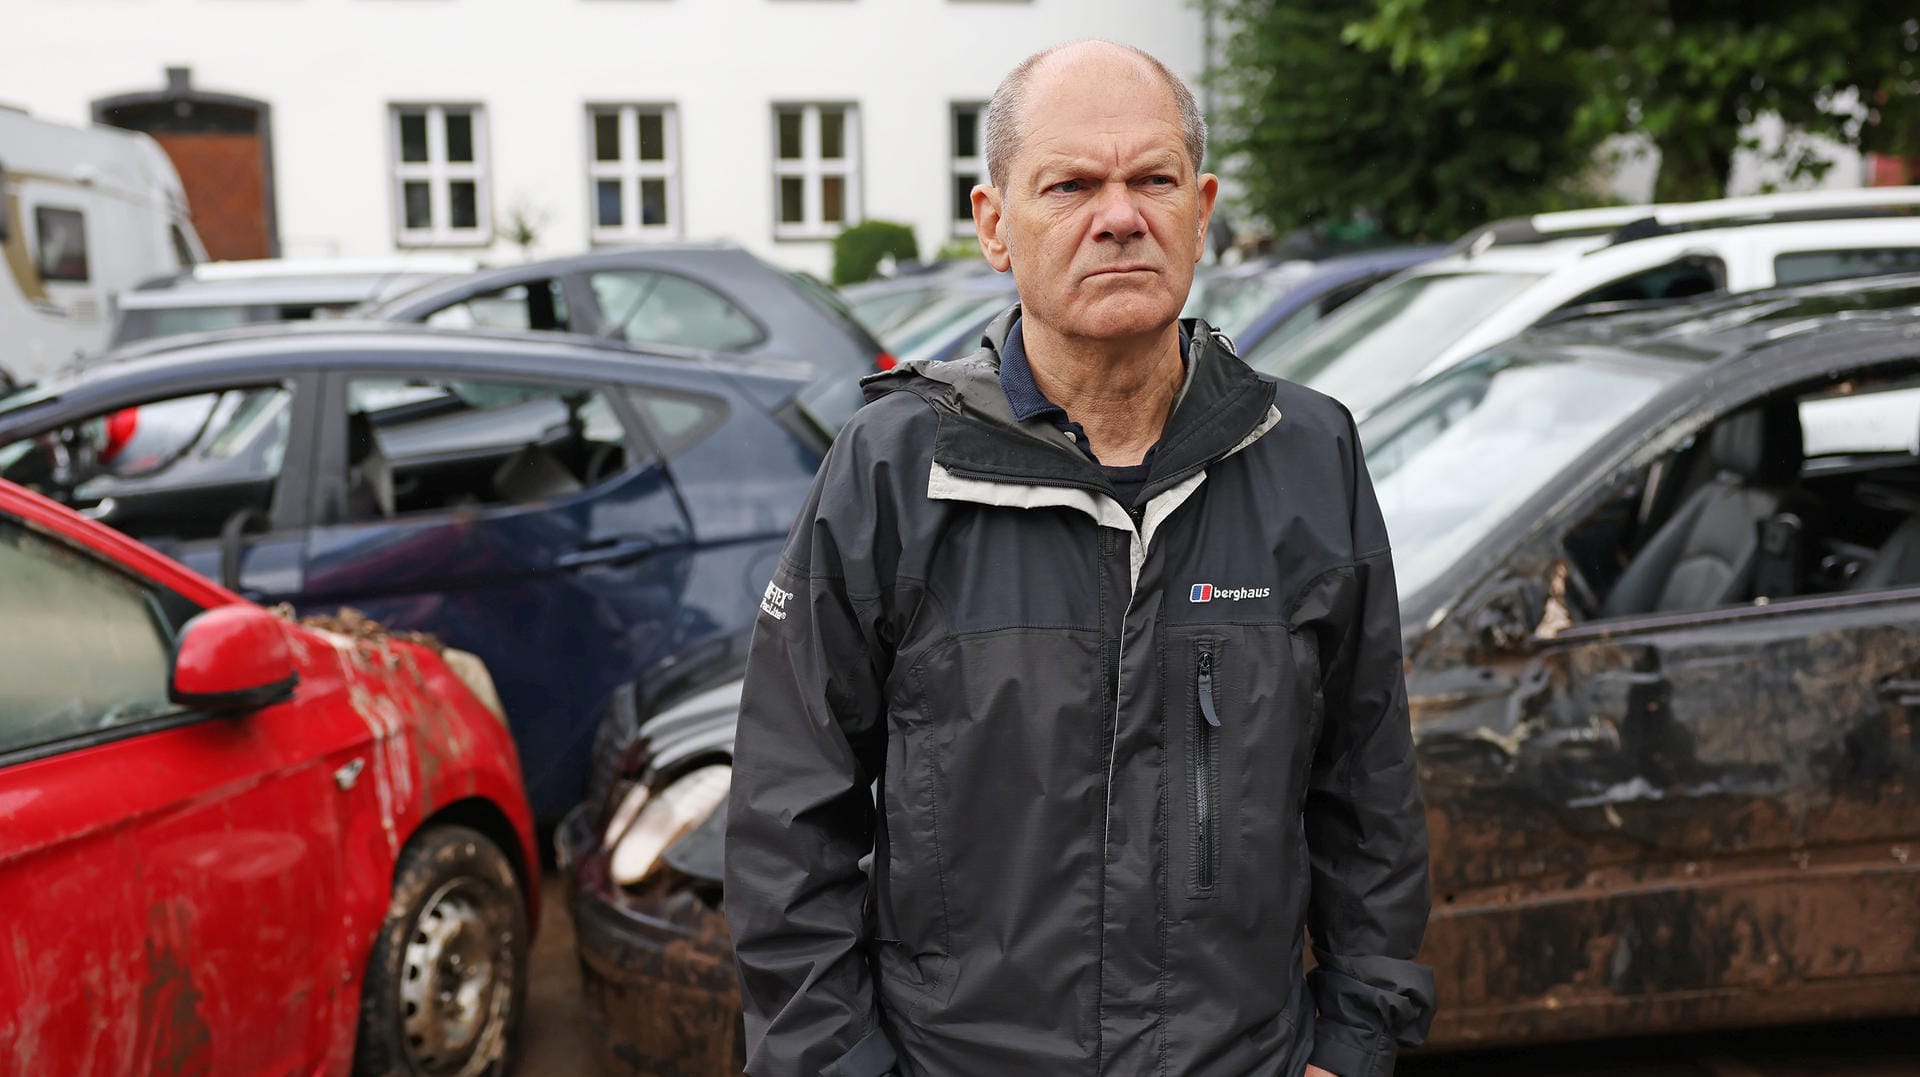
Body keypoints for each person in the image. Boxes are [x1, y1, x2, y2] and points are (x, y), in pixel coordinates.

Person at [725, 39, 1434, 1077]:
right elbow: (788, 818)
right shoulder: (895, 470)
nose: (1119, 215)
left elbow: (1368, 789)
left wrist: (1355, 1044)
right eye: (1071, 185)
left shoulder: (1308, 455)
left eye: (1152, 180)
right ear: (994, 224)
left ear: (1201, 208)